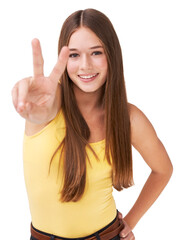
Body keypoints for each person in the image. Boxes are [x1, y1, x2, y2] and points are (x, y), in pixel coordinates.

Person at [11, 8, 173, 240]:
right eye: (74, 55)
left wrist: (130, 222)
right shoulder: (49, 102)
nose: (85, 65)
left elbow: (163, 169)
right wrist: (27, 99)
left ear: (112, 55)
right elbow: (38, 112)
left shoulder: (129, 118)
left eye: (96, 52)